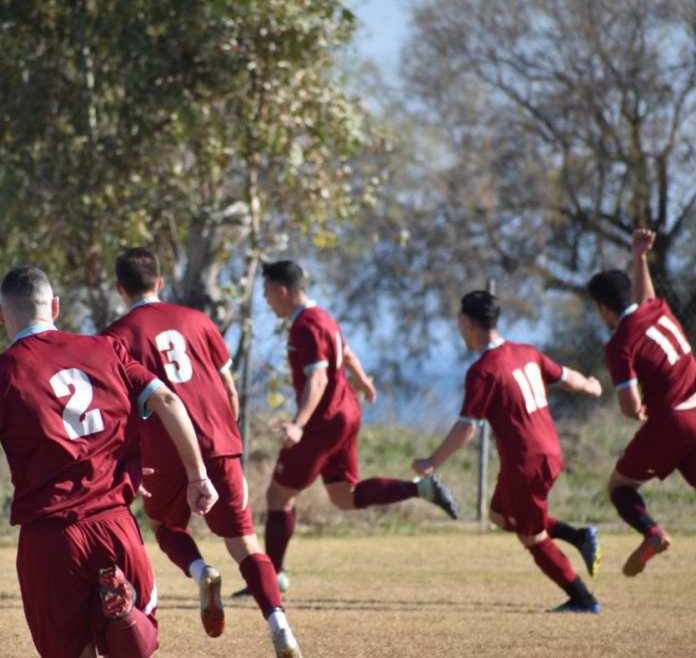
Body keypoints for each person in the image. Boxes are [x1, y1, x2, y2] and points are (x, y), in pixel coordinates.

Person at [0, 264, 218, 658]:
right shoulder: (107, 349)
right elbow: (169, 400)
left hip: (51, 536)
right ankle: (123, 618)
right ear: (54, 306)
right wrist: (198, 477)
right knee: (136, 645)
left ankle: (121, 617)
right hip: (115, 522)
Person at [102, 248, 301, 658]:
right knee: (245, 543)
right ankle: (280, 627)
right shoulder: (199, 321)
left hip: (165, 451)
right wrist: (225, 435)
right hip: (220, 444)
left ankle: (201, 571)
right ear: (160, 282)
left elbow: (120, 409)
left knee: (163, 526)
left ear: (120, 288)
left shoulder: (114, 337)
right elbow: (228, 390)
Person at [260, 260, 459, 591]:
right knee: (345, 497)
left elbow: (318, 377)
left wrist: (298, 423)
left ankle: (271, 578)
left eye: (266, 292)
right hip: (347, 413)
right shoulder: (322, 317)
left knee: (278, 494)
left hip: (323, 423)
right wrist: (363, 381)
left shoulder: (304, 326)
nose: (266, 300)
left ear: (282, 290)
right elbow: (346, 353)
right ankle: (419, 488)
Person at [412, 290, 603, 613]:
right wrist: (592, 385)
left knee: (532, 537)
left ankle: (583, 600)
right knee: (499, 515)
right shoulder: (526, 352)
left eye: (459, 320)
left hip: (526, 463)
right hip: (549, 452)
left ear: (468, 323)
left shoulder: (483, 370)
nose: (458, 326)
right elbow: (566, 377)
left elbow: (468, 428)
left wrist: (432, 461)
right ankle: (579, 535)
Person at [587, 228, 696, 577]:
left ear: (604, 309)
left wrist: (638, 413)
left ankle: (652, 533)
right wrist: (639, 257)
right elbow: (644, 296)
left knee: (620, 487)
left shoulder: (620, 344)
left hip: (673, 421)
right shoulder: (659, 310)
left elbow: (631, 406)